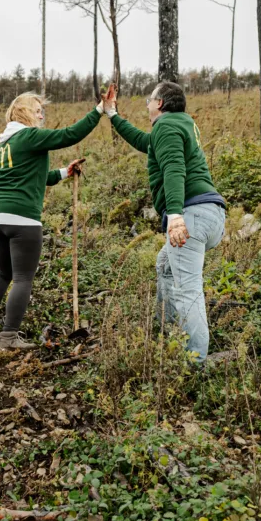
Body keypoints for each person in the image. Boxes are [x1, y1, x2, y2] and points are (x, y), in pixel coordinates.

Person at [0, 86, 115, 349]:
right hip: (22, 218)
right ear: (24, 114)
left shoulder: (8, 142)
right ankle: (9, 338)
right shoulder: (29, 136)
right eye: (37, 111)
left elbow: (35, 176)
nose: (41, 116)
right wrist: (98, 111)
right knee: (23, 278)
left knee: (3, 273)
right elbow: (68, 135)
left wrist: (63, 172)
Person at [101, 82, 226, 363]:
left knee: (188, 289)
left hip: (191, 215)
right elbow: (144, 142)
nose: (146, 104)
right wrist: (112, 114)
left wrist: (175, 215)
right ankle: (169, 335)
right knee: (165, 267)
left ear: (159, 103)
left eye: (149, 99)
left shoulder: (167, 126)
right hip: (210, 214)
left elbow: (173, 168)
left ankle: (194, 366)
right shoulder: (177, 124)